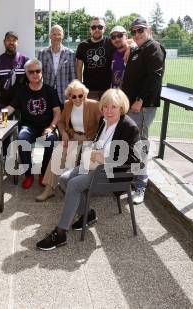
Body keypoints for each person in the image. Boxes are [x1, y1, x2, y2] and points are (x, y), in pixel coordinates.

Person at [36, 88, 140, 251]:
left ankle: (61, 233)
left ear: (121, 108)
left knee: (74, 184)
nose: (108, 111)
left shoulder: (129, 127)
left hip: (112, 173)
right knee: (64, 179)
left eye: (113, 107)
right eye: (105, 107)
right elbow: (98, 143)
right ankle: (88, 214)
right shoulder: (104, 122)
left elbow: (133, 160)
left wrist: (104, 159)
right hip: (94, 166)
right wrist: (91, 152)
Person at [0, 58, 60, 189]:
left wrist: (51, 127)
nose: (35, 74)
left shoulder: (50, 90)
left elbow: (57, 112)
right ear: (26, 74)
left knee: (52, 140)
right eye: (31, 72)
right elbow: (11, 108)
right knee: (22, 138)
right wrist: (0, 115)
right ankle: (28, 175)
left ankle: (43, 175)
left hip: (46, 127)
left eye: (38, 71)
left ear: (41, 72)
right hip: (27, 127)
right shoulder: (21, 91)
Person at [122, 16, 166, 205]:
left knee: (141, 145)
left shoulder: (153, 47)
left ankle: (140, 186)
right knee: (133, 144)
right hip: (132, 106)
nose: (137, 34)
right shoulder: (138, 50)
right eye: (134, 31)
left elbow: (155, 77)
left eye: (141, 30)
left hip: (142, 106)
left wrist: (140, 99)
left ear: (149, 30)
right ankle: (134, 181)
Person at [35, 80, 101, 202]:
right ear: (69, 96)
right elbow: (60, 121)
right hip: (72, 138)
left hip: (88, 141)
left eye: (80, 95)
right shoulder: (68, 104)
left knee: (72, 157)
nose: (77, 99)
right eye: (74, 96)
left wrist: (94, 141)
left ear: (85, 94)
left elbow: (103, 124)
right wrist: (64, 133)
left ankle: (70, 191)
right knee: (57, 154)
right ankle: (48, 190)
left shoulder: (94, 105)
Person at [76, 17, 115, 100]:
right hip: (89, 90)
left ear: (104, 29)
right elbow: (79, 67)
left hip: (107, 89)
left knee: (106, 113)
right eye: (93, 27)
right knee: (91, 113)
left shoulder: (111, 42)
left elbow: (124, 41)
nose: (96, 29)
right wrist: (80, 86)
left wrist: (129, 48)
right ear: (90, 29)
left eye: (100, 27)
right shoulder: (83, 45)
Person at [0, 31, 29, 108]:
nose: (11, 42)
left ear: (18, 43)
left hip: (21, 103)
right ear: (4, 42)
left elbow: (30, 82)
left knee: (21, 121)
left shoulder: (25, 60)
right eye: (8, 40)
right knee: (4, 120)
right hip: (3, 104)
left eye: (14, 40)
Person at [37, 25, 76, 106]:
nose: (56, 37)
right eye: (54, 34)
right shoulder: (42, 53)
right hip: (47, 94)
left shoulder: (70, 53)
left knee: (64, 118)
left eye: (59, 34)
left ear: (63, 36)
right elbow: (39, 75)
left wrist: (72, 93)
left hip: (64, 95)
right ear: (50, 36)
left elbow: (72, 76)